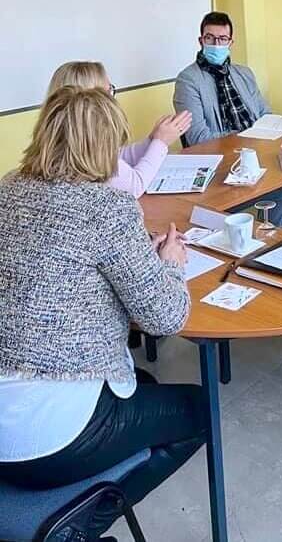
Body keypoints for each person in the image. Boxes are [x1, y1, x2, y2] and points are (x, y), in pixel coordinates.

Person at [0, 87, 204, 531]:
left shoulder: (8, 190)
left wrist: (135, 260)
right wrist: (168, 265)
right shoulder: (106, 206)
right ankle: (78, 525)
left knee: (146, 383)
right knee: (199, 411)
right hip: (49, 438)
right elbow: (166, 317)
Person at [174, 11, 282, 229]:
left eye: (222, 39)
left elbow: (265, 113)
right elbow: (199, 139)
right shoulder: (188, 80)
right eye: (210, 38)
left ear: (231, 42)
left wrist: (278, 126)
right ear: (201, 41)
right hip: (226, 158)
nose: (216, 44)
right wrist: (247, 139)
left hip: (260, 147)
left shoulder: (243, 73)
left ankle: (281, 232)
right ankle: (268, 238)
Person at [48, 61, 192, 198]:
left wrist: (152, 140)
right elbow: (134, 186)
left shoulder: (60, 143)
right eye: (109, 91)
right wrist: (161, 143)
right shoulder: (87, 152)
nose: (113, 99)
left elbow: (117, 156)